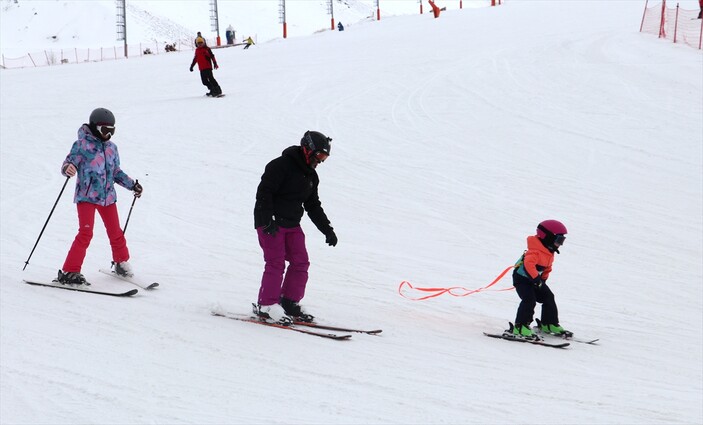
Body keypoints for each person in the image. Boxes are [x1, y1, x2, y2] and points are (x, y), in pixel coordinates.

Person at [253, 131, 337, 324]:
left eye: (324, 157)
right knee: (275, 263)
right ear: (307, 149)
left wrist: (327, 230)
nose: (321, 161)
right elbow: (264, 194)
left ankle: (289, 302)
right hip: (271, 222)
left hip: (292, 223)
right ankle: (266, 306)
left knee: (301, 263)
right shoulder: (279, 166)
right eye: (319, 156)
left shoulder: (311, 176)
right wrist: (267, 220)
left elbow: (313, 205)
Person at [57, 108, 143, 285]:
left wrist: (132, 184)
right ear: (95, 128)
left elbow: (116, 172)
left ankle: (121, 262)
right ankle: (70, 271)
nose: (108, 135)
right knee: (86, 233)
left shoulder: (112, 148)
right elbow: (68, 163)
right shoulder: (81, 145)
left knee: (116, 232)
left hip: (108, 197)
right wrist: (68, 169)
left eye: (112, 131)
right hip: (87, 196)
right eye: (105, 130)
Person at [510, 220, 568, 339]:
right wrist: (537, 279)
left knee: (548, 297)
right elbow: (528, 265)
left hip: (535, 280)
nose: (560, 244)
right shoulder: (535, 250)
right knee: (529, 299)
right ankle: (520, 326)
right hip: (522, 280)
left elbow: (547, 268)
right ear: (548, 237)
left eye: (562, 241)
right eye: (559, 240)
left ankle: (549, 323)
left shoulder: (549, 252)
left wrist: (543, 280)